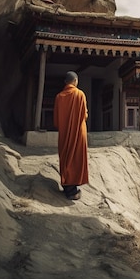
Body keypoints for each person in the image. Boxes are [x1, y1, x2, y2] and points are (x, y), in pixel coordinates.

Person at [53, 71, 89, 200]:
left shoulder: (59, 97)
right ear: (75, 81)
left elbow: (56, 121)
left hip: (64, 133)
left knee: (66, 156)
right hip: (79, 132)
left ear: (66, 82)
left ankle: (68, 187)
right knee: (77, 158)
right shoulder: (80, 94)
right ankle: (73, 189)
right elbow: (84, 115)